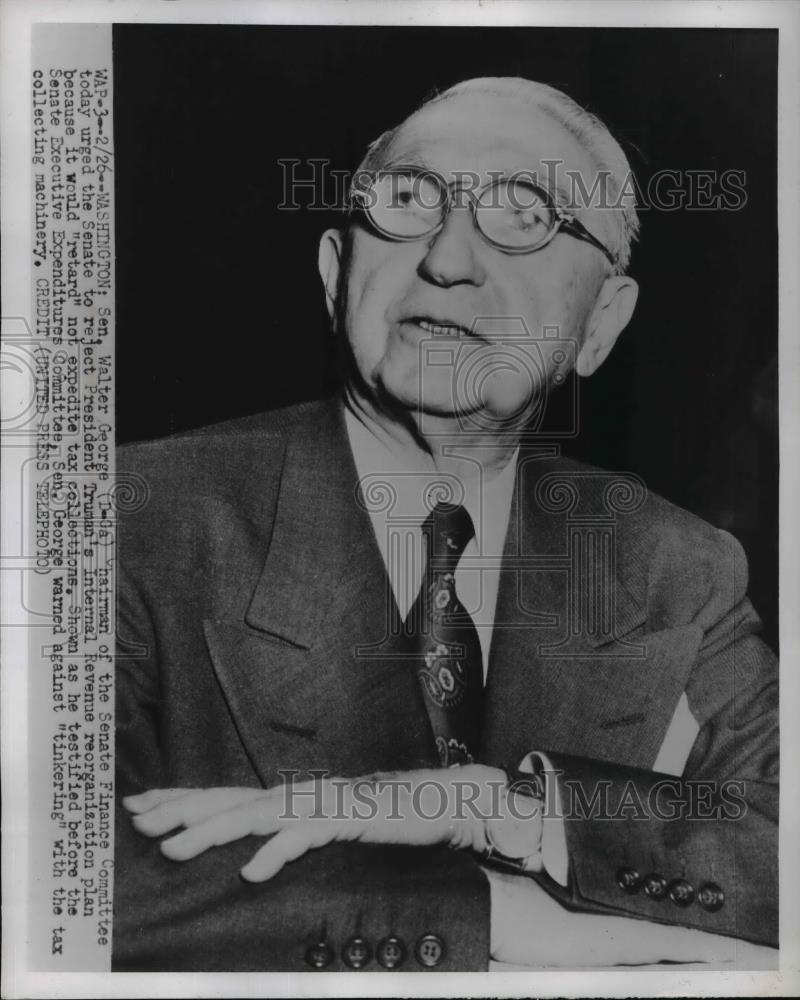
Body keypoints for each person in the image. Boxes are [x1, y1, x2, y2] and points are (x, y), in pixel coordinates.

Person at [113, 77, 778, 971]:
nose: (449, 257)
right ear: (334, 272)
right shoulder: (129, 518)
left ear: (601, 325)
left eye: (526, 213)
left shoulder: (672, 568)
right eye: (407, 202)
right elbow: (49, 874)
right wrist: (489, 915)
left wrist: (501, 806)